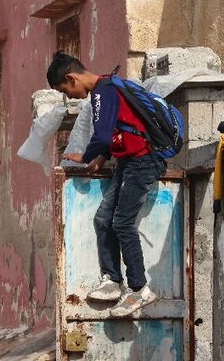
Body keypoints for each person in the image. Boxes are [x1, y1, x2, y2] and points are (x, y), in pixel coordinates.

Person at [48, 52, 165, 317]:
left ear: (71, 77)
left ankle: (139, 290)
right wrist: (102, 158)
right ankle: (112, 280)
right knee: (103, 218)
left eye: (66, 90)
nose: (71, 96)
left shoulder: (103, 92)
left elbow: (101, 136)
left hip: (142, 161)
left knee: (122, 223)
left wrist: (86, 155)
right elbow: (119, 130)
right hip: (129, 161)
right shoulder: (107, 88)